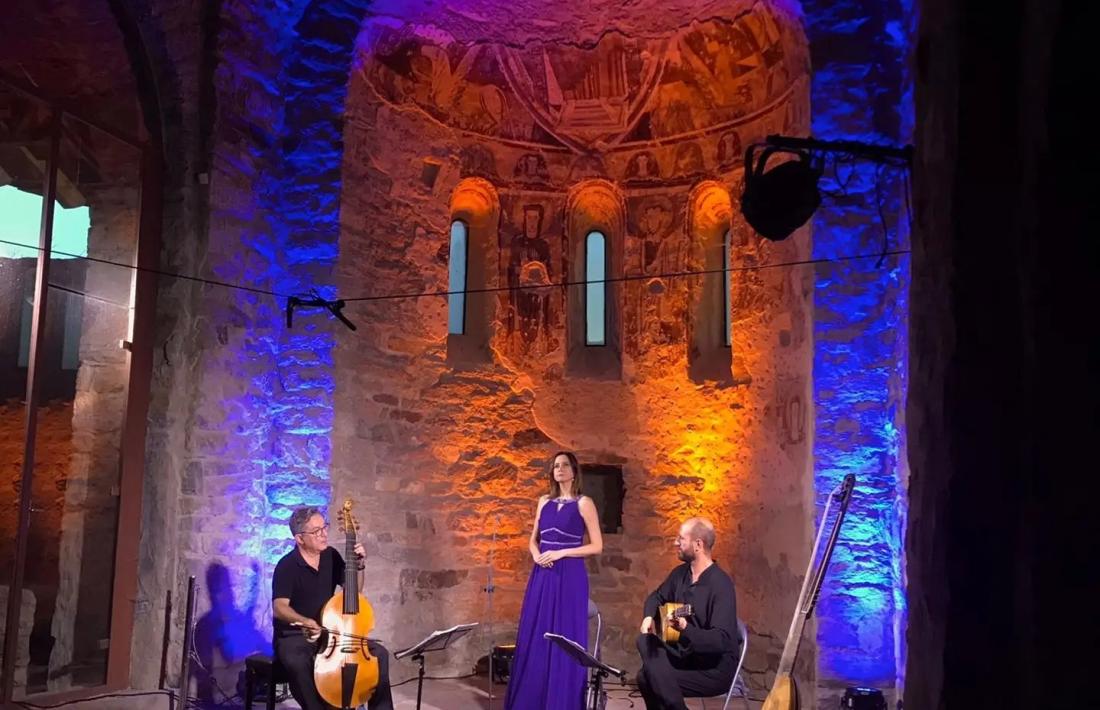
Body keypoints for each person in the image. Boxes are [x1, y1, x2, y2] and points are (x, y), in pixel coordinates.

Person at [504, 452, 604, 710]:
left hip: (569, 576)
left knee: (564, 637)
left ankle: (562, 702)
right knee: (537, 633)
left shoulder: (584, 503)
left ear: (574, 471)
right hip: (543, 575)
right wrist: (537, 556)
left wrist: (561, 552)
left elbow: (597, 546)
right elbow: (533, 540)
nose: (559, 469)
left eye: (565, 465)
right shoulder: (544, 501)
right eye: (556, 466)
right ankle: (532, 700)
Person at [272, 507, 394, 710]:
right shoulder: (287, 566)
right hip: (295, 635)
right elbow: (279, 607)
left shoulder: (331, 556)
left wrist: (359, 565)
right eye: (316, 531)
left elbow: (353, 593)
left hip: (331, 632)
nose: (324, 534)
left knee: (379, 654)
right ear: (300, 538)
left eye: (324, 527)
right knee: (299, 661)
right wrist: (305, 621)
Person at [636, 518, 740, 710]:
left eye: (681, 539)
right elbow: (656, 597)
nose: (676, 543)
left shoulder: (721, 585)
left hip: (712, 669)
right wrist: (649, 617)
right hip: (685, 656)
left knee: (646, 678)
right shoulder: (680, 574)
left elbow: (720, 641)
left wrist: (685, 628)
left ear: (698, 544)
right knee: (644, 640)